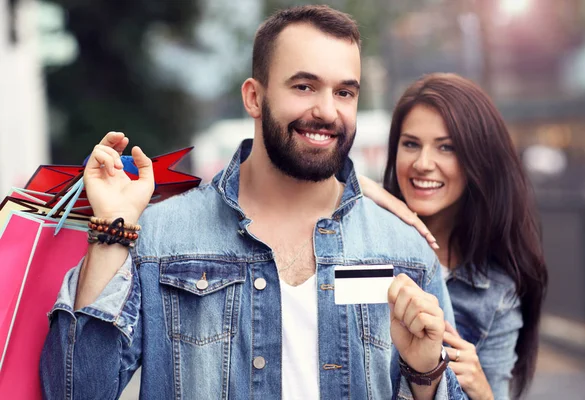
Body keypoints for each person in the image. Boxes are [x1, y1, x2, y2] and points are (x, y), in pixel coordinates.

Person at [40, 6, 465, 400]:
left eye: (345, 93)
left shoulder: (404, 251)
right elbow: (75, 392)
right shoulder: (160, 239)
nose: (327, 110)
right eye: (304, 86)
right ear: (253, 97)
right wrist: (111, 230)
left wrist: (426, 374)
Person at [360, 73, 548, 399]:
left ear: (479, 158)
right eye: (410, 144)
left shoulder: (495, 292)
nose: (423, 163)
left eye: (446, 147)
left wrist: (481, 388)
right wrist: (364, 188)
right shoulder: (358, 240)